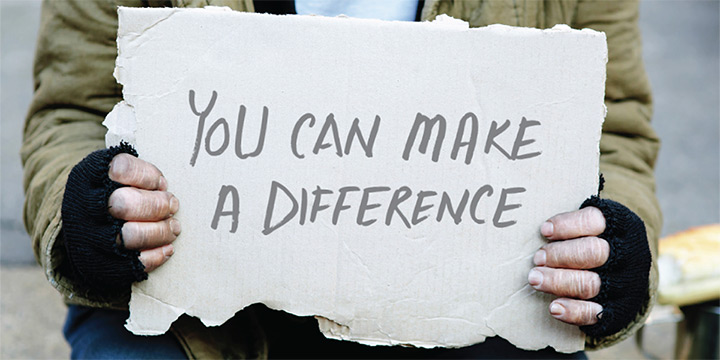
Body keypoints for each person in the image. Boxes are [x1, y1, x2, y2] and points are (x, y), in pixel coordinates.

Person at [22, 0, 661, 358]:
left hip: (472, 318)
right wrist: (86, 215)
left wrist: (614, 249)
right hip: (198, 326)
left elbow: (617, 133)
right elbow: (74, 109)